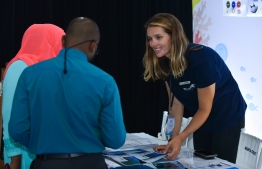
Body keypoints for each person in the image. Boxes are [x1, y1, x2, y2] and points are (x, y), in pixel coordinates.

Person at [8, 17, 126, 169]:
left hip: (46, 163)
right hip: (90, 164)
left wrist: (43, 143)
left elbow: (17, 130)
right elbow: (115, 139)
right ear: (93, 45)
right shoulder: (105, 81)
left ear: (63, 41)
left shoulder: (29, 75)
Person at [142, 13, 246, 163]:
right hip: (201, 117)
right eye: (150, 39)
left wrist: (181, 138)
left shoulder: (201, 59)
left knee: (220, 164)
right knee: (200, 163)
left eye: (158, 37)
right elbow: (175, 105)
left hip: (226, 116)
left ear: (174, 36)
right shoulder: (164, 63)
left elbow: (205, 107)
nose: (153, 44)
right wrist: (172, 140)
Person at [2, 23, 65, 169]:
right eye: (59, 43)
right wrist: (15, 160)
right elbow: (9, 116)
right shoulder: (19, 68)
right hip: (22, 155)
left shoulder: (50, 71)